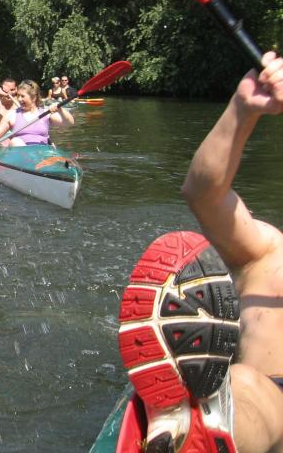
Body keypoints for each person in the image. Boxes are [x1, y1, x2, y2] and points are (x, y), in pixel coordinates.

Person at [118, 51, 283, 453]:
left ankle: (189, 420)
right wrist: (242, 108)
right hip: (261, 404)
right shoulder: (267, 252)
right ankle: (196, 425)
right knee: (243, 384)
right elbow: (204, 194)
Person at [0, 79, 74, 149]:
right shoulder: (12, 115)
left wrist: (60, 110)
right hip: (21, 154)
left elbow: (69, 122)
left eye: (22, 96)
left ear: (33, 97)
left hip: (42, 152)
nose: (19, 99)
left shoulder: (46, 113)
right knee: (15, 141)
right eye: (18, 95)